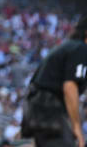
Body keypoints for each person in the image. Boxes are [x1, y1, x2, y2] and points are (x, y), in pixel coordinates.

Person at [22, 14, 87, 147]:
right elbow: (70, 87)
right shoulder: (81, 49)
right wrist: (76, 127)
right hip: (48, 109)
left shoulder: (69, 47)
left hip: (37, 107)